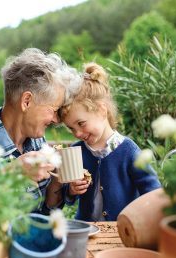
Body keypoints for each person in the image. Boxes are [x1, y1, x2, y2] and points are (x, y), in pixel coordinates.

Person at [0, 48, 81, 214]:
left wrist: (57, 181)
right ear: (26, 101)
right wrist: (13, 172)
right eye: (54, 110)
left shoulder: (36, 143)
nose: (56, 120)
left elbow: (45, 213)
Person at [45, 62, 162, 221]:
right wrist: (72, 190)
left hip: (120, 231)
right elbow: (67, 198)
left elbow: (152, 190)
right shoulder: (77, 151)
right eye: (71, 129)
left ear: (101, 110)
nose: (77, 133)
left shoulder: (128, 150)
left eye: (81, 123)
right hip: (86, 229)